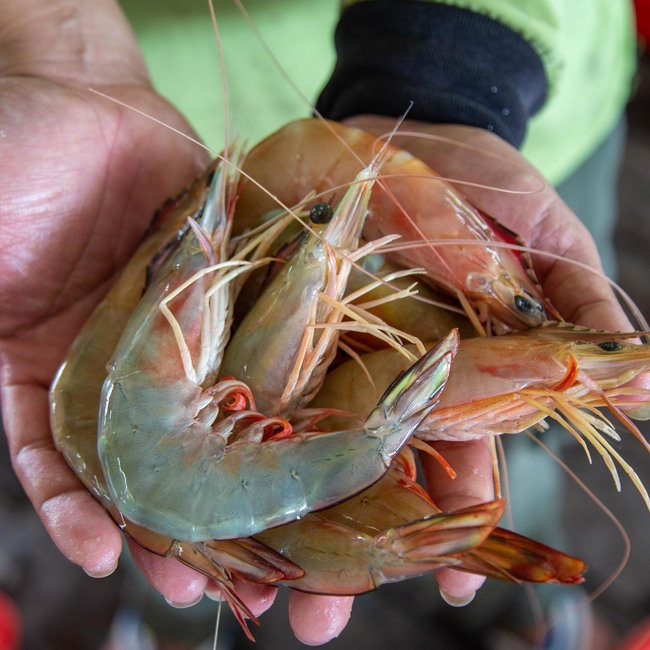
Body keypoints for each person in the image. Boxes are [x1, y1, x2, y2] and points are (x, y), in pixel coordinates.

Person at [0, 0, 644, 647]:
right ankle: (182, 625)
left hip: (501, 65)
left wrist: (443, 71)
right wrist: (58, 41)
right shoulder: (177, 420)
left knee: (505, 450)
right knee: (483, 448)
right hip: (154, 96)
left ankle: (504, 601)